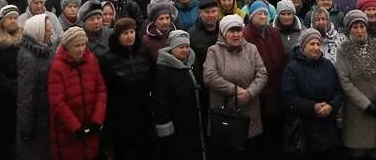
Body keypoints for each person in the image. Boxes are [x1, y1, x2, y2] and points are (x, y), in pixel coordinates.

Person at [204, 14, 268, 158]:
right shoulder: (214, 51)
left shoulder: (252, 49)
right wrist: (234, 90)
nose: (236, 34)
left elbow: (262, 74)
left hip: (249, 111)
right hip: (224, 113)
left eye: (238, 30)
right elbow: (209, 76)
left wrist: (250, 93)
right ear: (223, 33)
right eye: (231, 31)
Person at [335, 10, 376, 158]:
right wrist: (366, 104)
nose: (359, 31)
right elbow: (345, 81)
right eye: (355, 27)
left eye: (362, 26)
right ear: (349, 29)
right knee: (357, 152)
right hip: (356, 112)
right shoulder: (343, 49)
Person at [46, 26, 107, 160]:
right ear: (68, 47)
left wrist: (97, 120)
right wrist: (76, 127)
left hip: (91, 126)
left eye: (83, 45)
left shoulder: (91, 60)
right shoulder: (57, 67)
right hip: (68, 132)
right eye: (76, 46)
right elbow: (57, 102)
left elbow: (101, 90)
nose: (81, 49)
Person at [281, 27, 343, 159]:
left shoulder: (327, 65)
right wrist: (312, 107)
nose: (316, 47)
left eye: (318, 44)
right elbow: (289, 98)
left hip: (328, 129)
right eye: (311, 44)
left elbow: (338, 91)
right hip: (304, 131)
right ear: (303, 46)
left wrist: (331, 105)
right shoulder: (292, 68)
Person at [99, 19, 152, 160]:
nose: (129, 36)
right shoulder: (108, 59)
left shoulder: (144, 52)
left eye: (131, 32)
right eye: (125, 33)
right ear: (118, 36)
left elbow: (152, 79)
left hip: (144, 113)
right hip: (120, 117)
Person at [152, 30, 203, 160]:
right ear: (172, 48)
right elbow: (161, 101)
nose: (185, 50)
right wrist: (166, 126)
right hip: (177, 122)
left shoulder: (192, 63)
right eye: (181, 47)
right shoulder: (163, 70)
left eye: (187, 47)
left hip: (193, 120)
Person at [16, 13, 58, 160]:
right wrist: (25, 125)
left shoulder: (46, 50)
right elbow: (25, 95)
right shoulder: (29, 58)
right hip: (36, 116)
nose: (51, 32)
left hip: (45, 111)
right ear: (37, 32)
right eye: (47, 30)